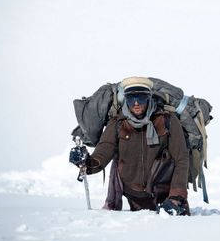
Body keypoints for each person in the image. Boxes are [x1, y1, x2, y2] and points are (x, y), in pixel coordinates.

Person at [81, 76, 190, 214]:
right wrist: (86, 163)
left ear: (149, 97)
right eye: (132, 98)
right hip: (134, 199)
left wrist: (176, 197)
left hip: (166, 198)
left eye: (141, 98)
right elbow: (103, 151)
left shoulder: (167, 120)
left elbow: (181, 159)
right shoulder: (118, 123)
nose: (136, 103)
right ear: (126, 99)